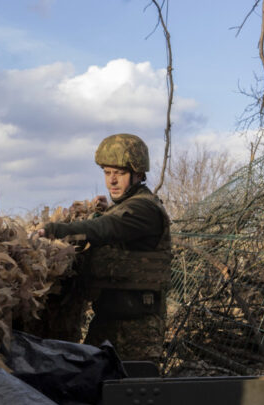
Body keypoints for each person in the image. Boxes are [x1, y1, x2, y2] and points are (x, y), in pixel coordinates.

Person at [37, 133, 172, 362]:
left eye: (119, 173)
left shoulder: (144, 210)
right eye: (107, 173)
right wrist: (104, 208)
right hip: (109, 319)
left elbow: (107, 228)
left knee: (131, 389)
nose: (112, 181)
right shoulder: (126, 205)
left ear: (138, 174)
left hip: (137, 328)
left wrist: (52, 231)